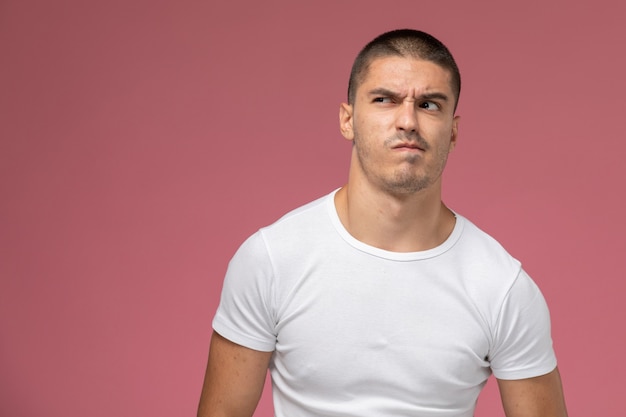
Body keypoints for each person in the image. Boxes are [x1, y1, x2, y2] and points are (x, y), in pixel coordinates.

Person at [197, 29, 568, 417]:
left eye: (428, 105)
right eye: (384, 100)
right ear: (348, 119)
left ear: (453, 131)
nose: (407, 121)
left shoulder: (503, 287)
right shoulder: (271, 260)